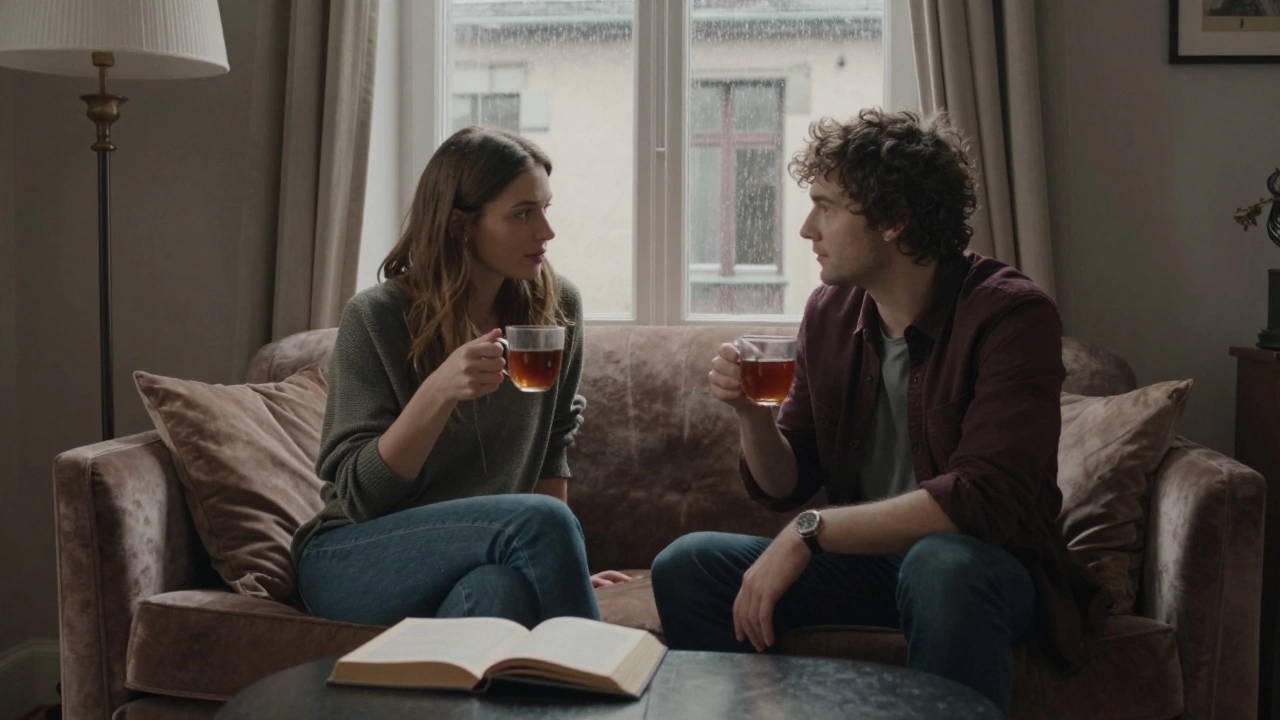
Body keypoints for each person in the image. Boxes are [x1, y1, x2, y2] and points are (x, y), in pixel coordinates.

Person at [650, 109, 1105, 713]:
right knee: (689, 564)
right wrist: (751, 415)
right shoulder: (830, 311)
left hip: (986, 568)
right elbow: (789, 482)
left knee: (941, 566)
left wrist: (810, 534)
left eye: (827, 206)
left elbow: (984, 496)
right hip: (867, 565)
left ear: (893, 220)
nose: (808, 228)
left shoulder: (1011, 316)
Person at [292, 126, 629, 630]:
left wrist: (558, 567)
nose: (546, 232)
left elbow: (552, 444)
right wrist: (439, 391)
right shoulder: (377, 317)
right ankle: (601, 686)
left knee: (498, 592)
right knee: (544, 523)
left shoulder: (557, 310)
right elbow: (361, 498)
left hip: (481, 557)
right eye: (522, 213)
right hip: (354, 556)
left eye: (545, 209)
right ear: (459, 225)